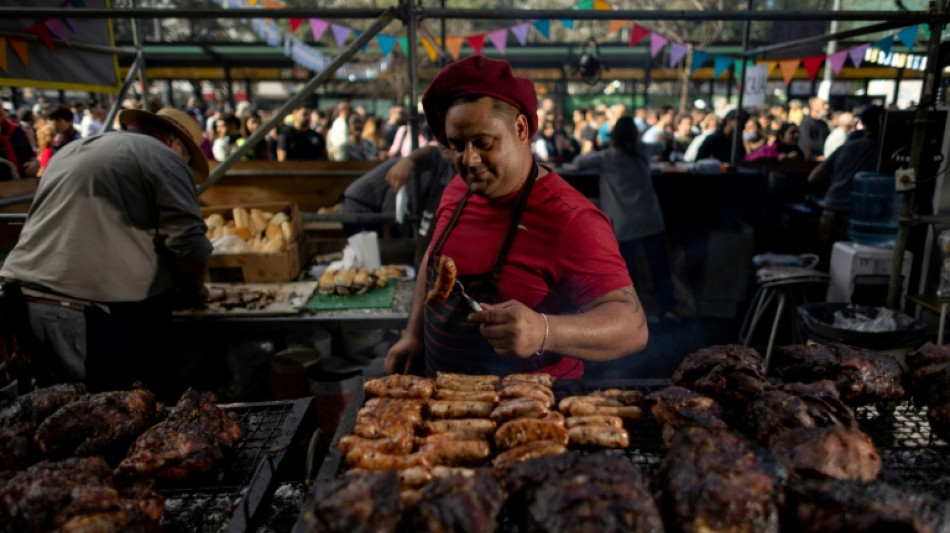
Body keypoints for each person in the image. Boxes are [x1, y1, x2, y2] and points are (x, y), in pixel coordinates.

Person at [384, 55, 648, 378]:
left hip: (532, 415)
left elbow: (632, 327)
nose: (469, 160)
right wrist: (413, 335)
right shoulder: (458, 189)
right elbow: (435, 258)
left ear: (520, 128)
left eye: (483, 143)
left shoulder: (571, 219)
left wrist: (543, 330)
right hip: (444, 406)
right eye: (456, 145)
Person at [0, 107, 212, 398]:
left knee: (60, 413)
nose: (185, 165)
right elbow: (189, 243)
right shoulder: (165, 158)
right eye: (187, 159)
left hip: (28, 299)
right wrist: (195, 287)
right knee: (121, 411)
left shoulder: (73, 149)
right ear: (176, 143)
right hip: (95, 314)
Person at [570, 116, 676, 322]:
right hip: (650, 219)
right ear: (635, 134)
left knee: (627, 274)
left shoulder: (607, 157)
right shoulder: (643, 150)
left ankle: (631, 315)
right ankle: (668, 309)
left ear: (615, 135)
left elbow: (578, 162)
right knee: (659, 268)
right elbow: (662, 145)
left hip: (623, 224)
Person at [807, 105, 884, 267]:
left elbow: (814, 177)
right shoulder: (883, 152)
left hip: (831, 208)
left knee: (824, 261)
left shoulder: (846, 147)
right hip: (857, 217)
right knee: (846, 265)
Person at [799, 96, 830, 160]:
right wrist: (815, 157)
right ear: (813, 106)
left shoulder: (823, 124)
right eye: (823, 104)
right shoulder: (806, 123)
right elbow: (805, 144)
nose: (827, 107)